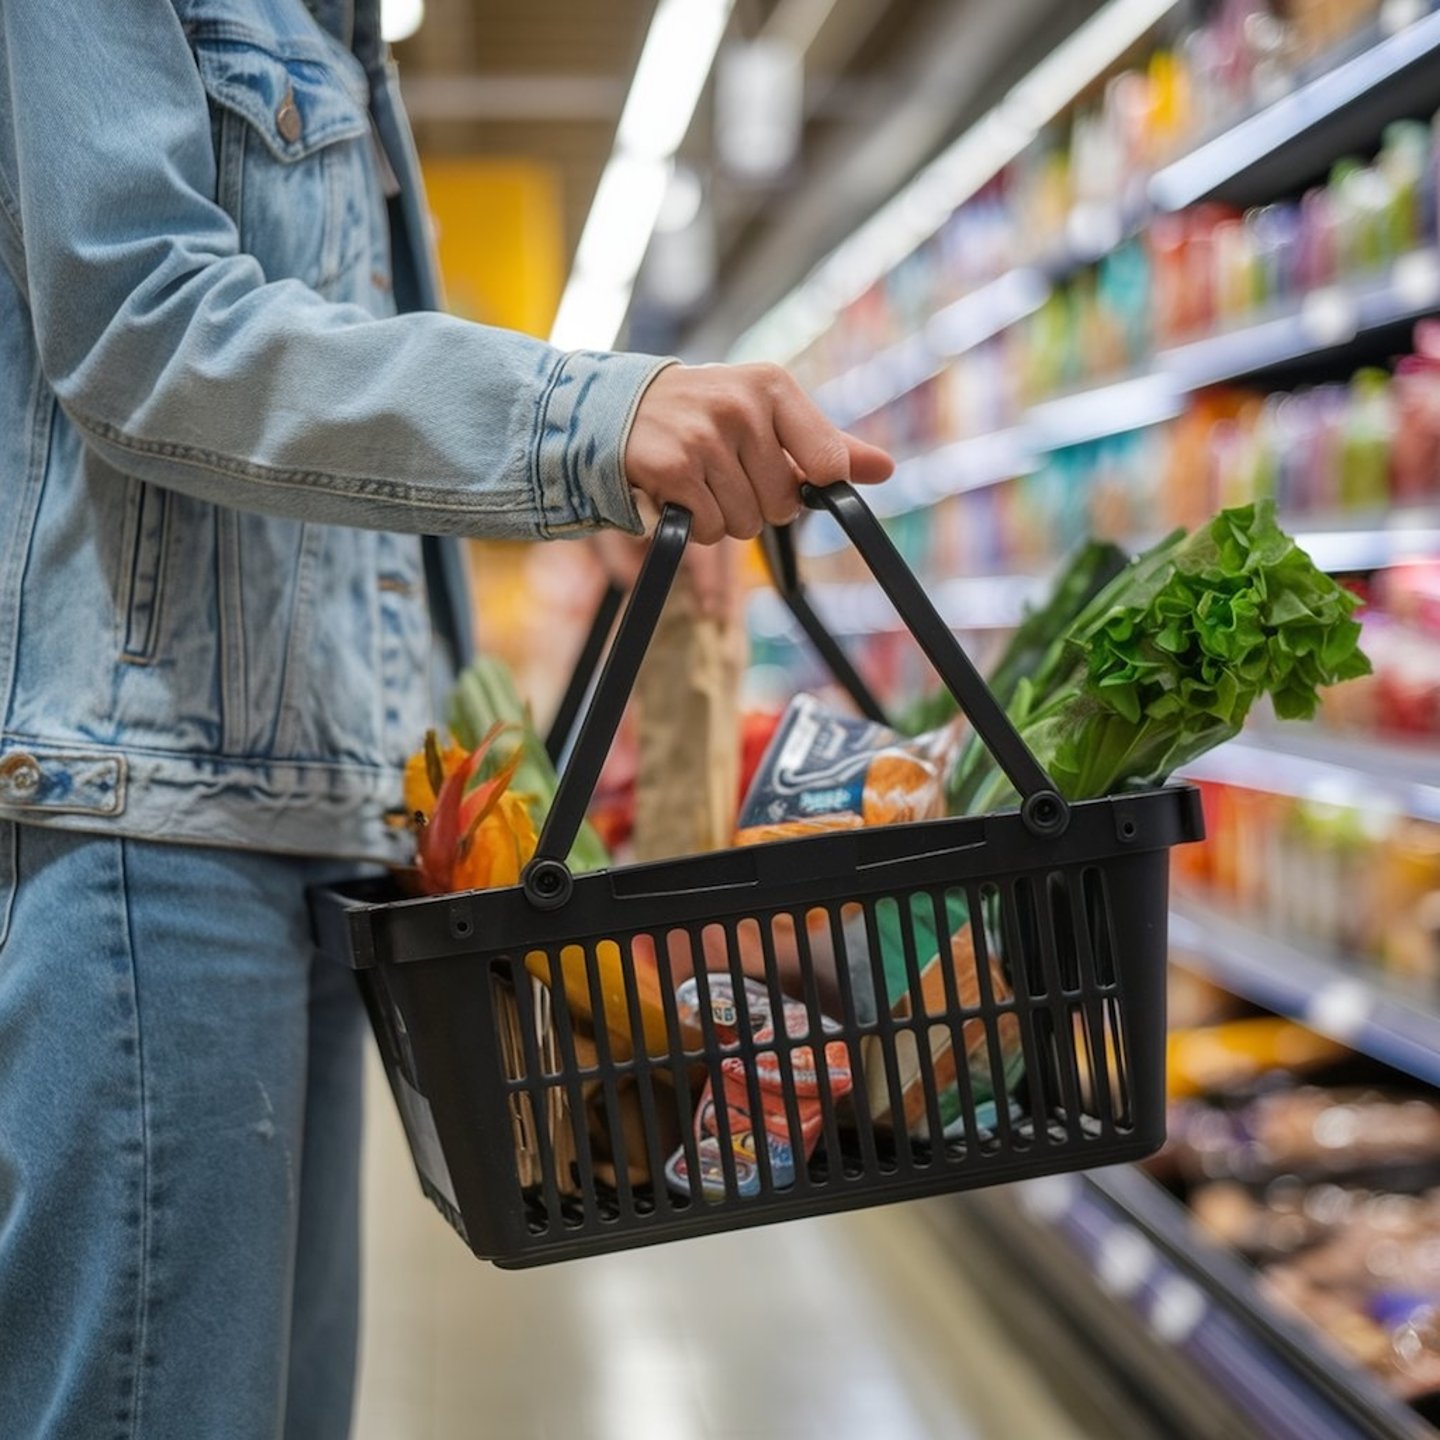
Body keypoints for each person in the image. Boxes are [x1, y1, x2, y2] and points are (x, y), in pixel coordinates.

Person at [0, 2, 893, 1437]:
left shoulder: (336, 28)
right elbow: (142, 325)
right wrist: (579, 424)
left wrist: (561, 548)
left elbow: (313, 435)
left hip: (316, 818)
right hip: (152, 819)